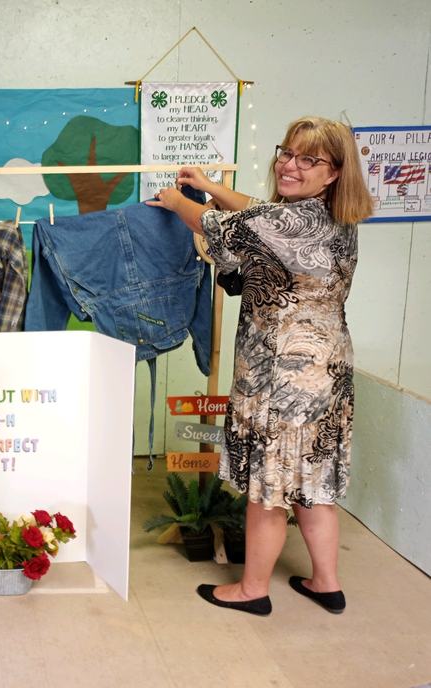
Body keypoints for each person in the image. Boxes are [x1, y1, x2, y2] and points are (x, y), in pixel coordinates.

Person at [147, 116, 372, 616]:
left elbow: (214, 225)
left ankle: (252, 590)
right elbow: (261, 213)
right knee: (311, 480)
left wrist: (177, 198)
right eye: (286, 152)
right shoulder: (334, 216)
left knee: (269, 487)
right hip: (329, 371)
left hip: (282, 375)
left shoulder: (290, 221)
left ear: (333, 172)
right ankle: (325, 582)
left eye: (308, 159)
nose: (290, 165)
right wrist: (210, 186)